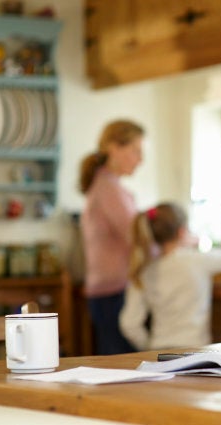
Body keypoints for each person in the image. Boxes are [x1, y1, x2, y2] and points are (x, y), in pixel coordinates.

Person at [119, 202, 221, 350]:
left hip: (157, 352)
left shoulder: (144, 272)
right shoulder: (196, 260)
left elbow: (129, 324)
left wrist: (148, 347)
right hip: (194, 351)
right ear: (182, 231)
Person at [80, 119, 144, 355]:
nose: (140, 159)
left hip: (107, 292)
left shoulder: (106, 185)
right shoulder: (108, 189)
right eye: (135, 151)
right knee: (122, 372)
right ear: (113, 148)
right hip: (113, 294)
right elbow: (138, 237)